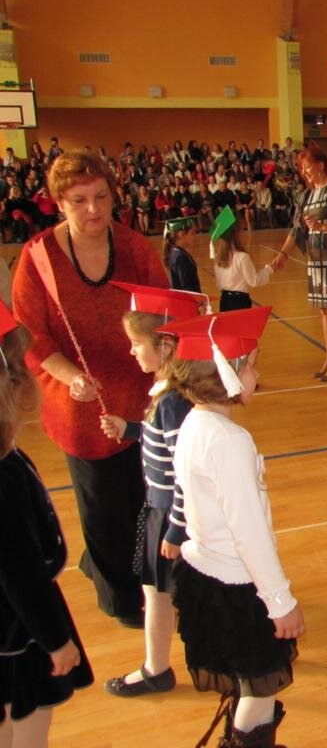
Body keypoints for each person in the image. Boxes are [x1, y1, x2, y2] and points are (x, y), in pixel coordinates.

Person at [12, 149, 169, 627]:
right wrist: (70, 377)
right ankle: (119, 597)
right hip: (79, 402)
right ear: (59, 203)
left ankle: (147, 579)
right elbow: (31, 336)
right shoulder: (37, 258)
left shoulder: (136, 248)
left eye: (101, 197)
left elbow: (164, 311)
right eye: (79, 201)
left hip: (139, 394)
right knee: (102, 507)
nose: (93, 209)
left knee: (145, 497)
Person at [160, 306, 304, 748]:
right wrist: (280, 602)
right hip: (239, 587)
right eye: (253, 365)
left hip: (204, 575)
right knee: (260, 690)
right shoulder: (230, 441)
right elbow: (250, 534)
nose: (258, 375)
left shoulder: (193, 423)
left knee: (245, 678)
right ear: (231, 373)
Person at [99, 283, 205, 699]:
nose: (131, 351)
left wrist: (176, 529)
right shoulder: (166, 394)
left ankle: (156, 668)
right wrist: (130, 429)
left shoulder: (172, 401)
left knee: (159, 594)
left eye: (135, 343)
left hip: (172, 516)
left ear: (164, 346)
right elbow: (161, 438)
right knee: (161, 593)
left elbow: (184, 472)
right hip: (163, 512)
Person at [0, 300, 94, 747]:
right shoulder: (4, 477)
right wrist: (56, 639)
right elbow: (20, 573)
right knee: (29, 726)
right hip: (18, 627)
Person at [271, 144, 327, 382]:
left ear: (321, 165)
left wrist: (323, 226)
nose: (305, 172)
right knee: (324, 310)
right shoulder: (308, 195)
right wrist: (283, 254)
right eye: (302, 169)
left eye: (307, 167)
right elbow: (297, 229)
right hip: (314, 259)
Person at [211, 208, 275, 312]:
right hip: (239, 302)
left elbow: (219, 285)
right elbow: (254, 281)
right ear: (237, 233)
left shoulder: (218, 257)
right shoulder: (242, 257)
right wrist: (269, 269)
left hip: (224, 301)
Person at [163, 216, 201, 293]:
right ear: (181, 234)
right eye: (192, 233)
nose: (195, 237)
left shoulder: (175, 252)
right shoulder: (180, 257)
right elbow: (187, 288)